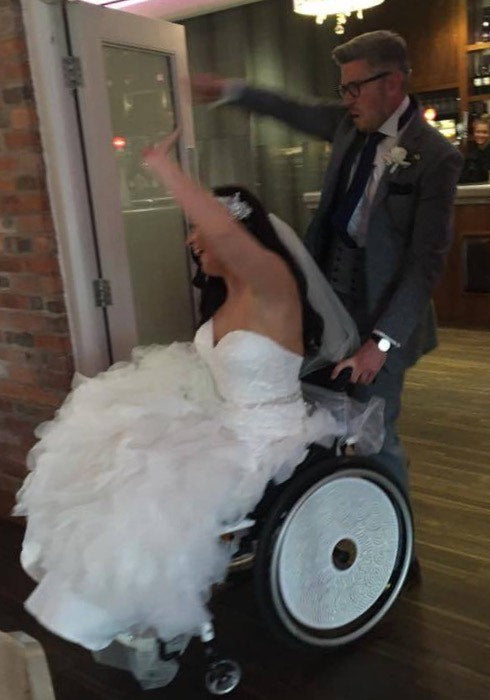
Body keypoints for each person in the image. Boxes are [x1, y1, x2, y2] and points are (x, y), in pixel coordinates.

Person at [14, 130, 363, 653]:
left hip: (267, 440)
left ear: (233, 233)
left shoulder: (273, 285)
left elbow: (222, 230)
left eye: (196, 229)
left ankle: (136, 619)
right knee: (116, 459)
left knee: (152, 492)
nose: (191, 242)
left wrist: (162, 166)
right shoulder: (228, 300)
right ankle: (114, 613)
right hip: (222, 423)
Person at [192, 29, 464, 501]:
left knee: (374, 430)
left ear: (394, 84)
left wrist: (380, 343)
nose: (347, 98)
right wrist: (229, 90)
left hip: (384, 313)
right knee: (318, 413)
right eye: (343, 88)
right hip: (323, 295)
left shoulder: (437, 158)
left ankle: (391, 541)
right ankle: (328, 514)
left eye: (355, 87)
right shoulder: (346, 123)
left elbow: (425, 265)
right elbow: (290, 107)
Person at [459, 116, 490, 183]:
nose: (480, 135)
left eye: (484, 132)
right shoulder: (469, 156)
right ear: (474, 134)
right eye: (478, 132)